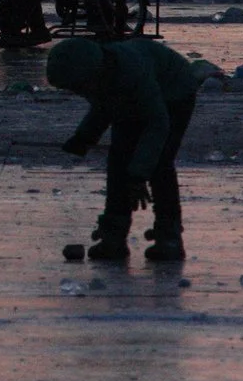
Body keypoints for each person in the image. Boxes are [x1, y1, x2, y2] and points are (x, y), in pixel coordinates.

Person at [47, 36, 199, 261]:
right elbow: (103, 107)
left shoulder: (133, 74)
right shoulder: (97, 75)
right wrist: (84, 137)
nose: (78, 92)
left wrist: (139, 174)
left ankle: (169, 236)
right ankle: (114, 237)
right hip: (140, 97)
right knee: (118, 161)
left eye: (78, 87)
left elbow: (157, 123)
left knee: (160, 164)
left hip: (174, 94)